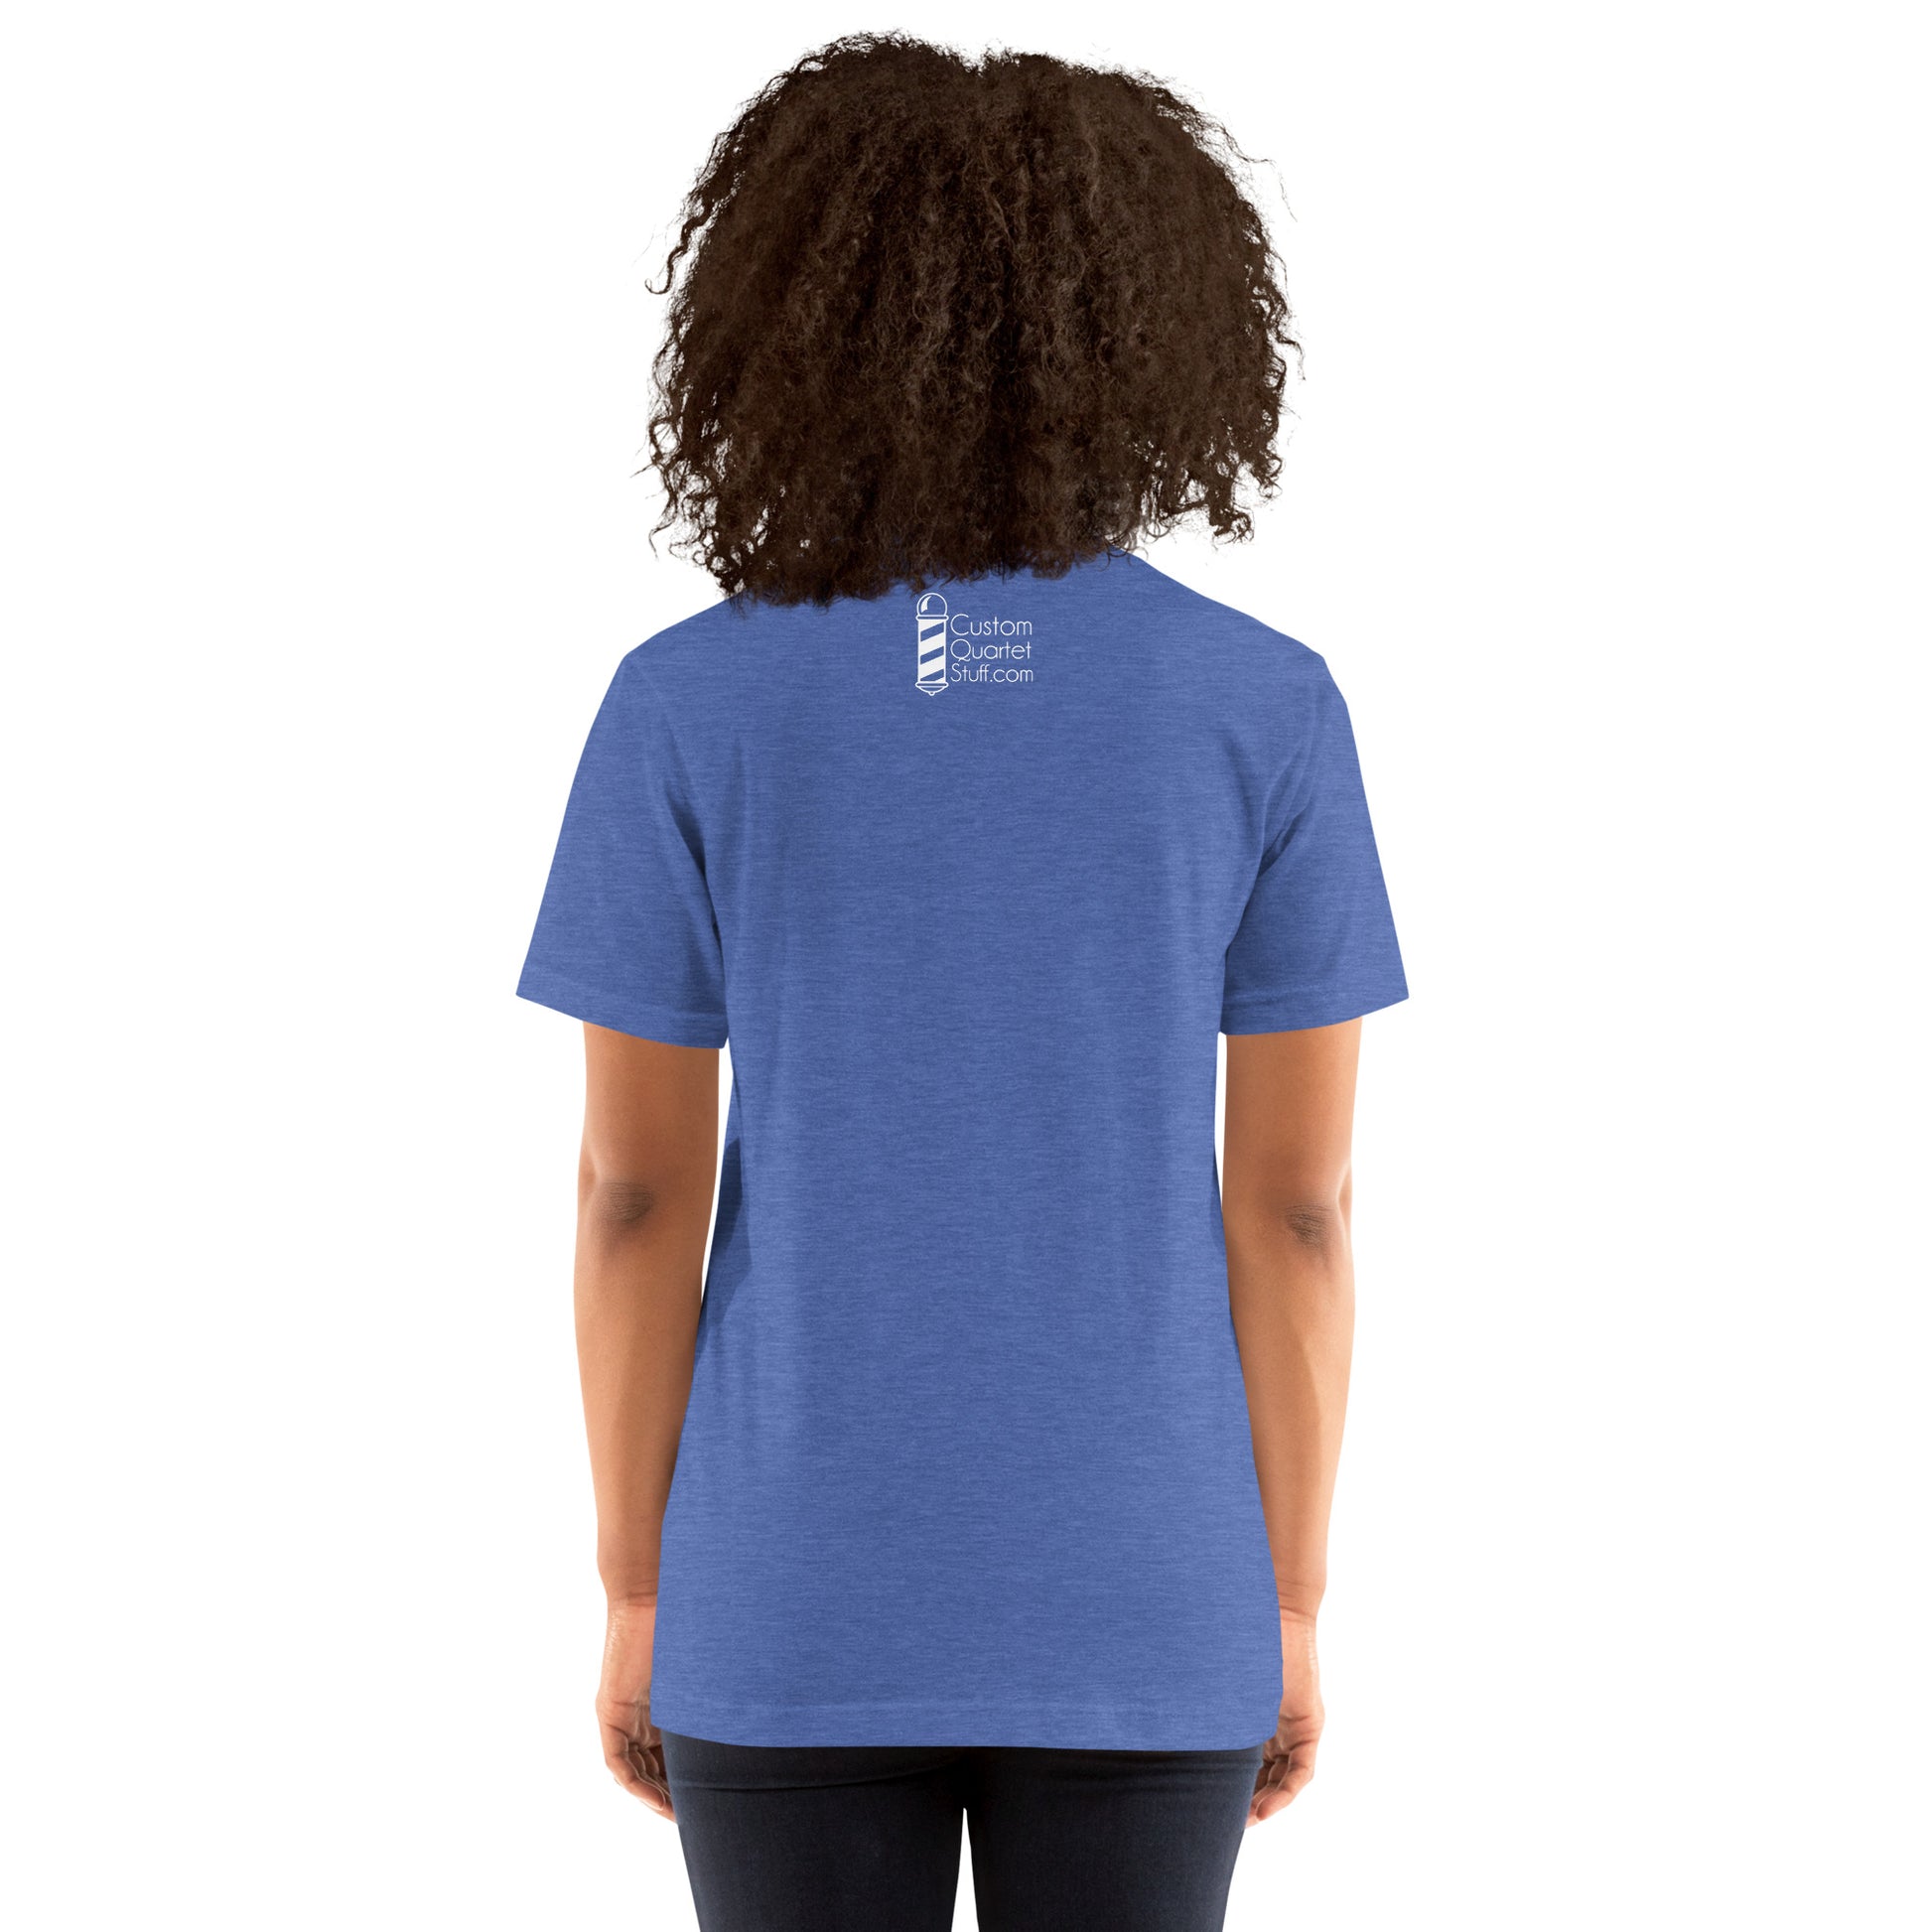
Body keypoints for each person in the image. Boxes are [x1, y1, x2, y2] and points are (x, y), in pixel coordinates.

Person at [518, 34, 1406, 1932]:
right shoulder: (1260, 706)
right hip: (1148, 1592)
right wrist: (1288, 1602)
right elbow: (1298, 1209)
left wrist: (639, 1589)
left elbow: (634, 1194)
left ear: (789, 319)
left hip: (786, 1586)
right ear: (1153, 325)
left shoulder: (687, 700)